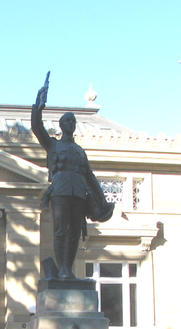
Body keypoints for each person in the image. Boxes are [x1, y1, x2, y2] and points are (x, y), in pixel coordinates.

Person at [31, 79, 114, 280]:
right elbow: (37, 127)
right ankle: (61, 270)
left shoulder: (79, 151)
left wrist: (102, 200)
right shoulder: (53, 145)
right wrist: (38, 105)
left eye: (73, 122)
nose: (71, 124)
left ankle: (68, 269)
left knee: (74, 233)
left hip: (79, 193)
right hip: (60, 191)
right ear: (61, 125)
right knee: (60, 231)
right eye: (67, 121)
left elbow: (90, 177)